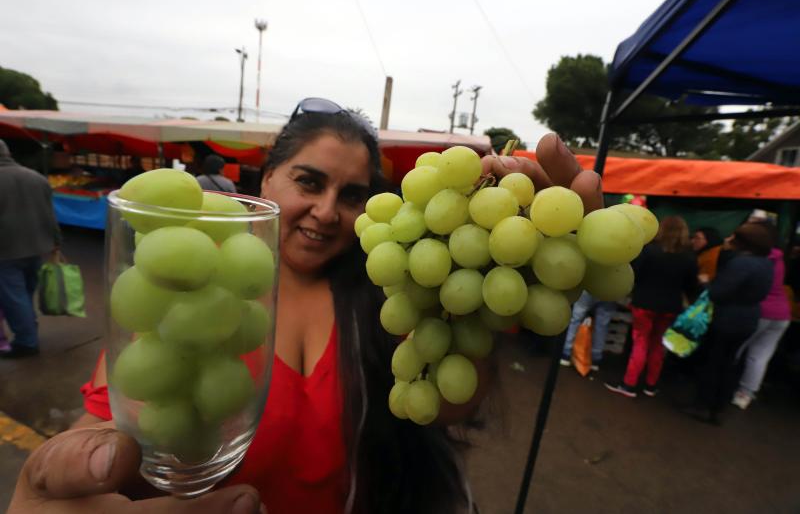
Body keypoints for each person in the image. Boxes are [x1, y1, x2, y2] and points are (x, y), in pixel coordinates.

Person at [7, 101, 605, 514]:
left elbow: (441, 402)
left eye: (351, 195)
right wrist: (69, 479)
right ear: (266, 180)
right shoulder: (194, 287)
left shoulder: (390, 290)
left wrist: (501, 275)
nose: (326, 211)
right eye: (309, 182)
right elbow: (114, 422)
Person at [682, 222, 774, 425]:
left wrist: (705, 282)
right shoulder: (767, 264)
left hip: (727, 318)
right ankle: (718, 408)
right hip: (749, 318)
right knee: (729, 363)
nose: (728, 239)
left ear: (744, 242)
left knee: (713, 362)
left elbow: (718, 293)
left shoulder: (740, 263)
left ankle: (702, 405)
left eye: (733, 237)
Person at [605, 216, 697, 398]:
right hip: (670, 306)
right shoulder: (688, 257)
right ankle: (651, 384)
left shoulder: (649, 251)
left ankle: (629, 384)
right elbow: (691, 286)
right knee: (658, 345)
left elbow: (635, 274)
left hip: (645, 303)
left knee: (640, 342)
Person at [0, 139, 61, 358]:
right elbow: (50, 214)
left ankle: (27, 342)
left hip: (7, 251)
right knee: (25, 293)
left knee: (14, 297)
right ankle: (29, 332)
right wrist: (56, 241)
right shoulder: (36, 178)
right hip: (39, 247)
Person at [732, 223, 791, 409]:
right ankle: (745, 394)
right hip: (782, 314)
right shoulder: (779, 258)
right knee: (760, 356)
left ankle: (724, 386)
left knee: (736, 348)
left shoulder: (757, 259)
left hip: (760, 311)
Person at [560, 291, 616, 371]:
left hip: (590, 288)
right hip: (611, 290)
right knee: (602, 326)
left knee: (576, 319)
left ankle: (566, 354)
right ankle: (595, 360)